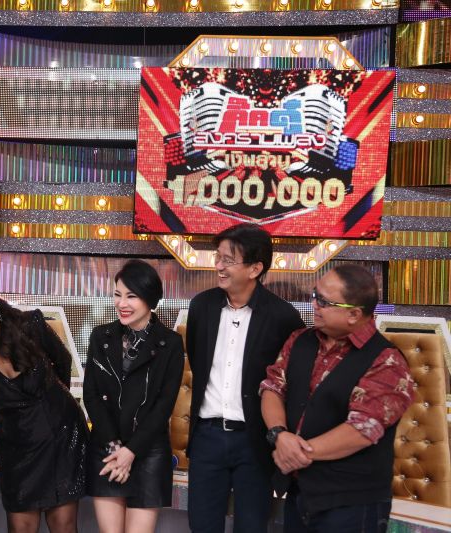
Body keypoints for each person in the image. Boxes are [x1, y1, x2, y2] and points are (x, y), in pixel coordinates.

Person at [260, 264, 415, 532]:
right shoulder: (300, 339)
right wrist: (279, 435)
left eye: (324, 301)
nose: (314, 305)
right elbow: (273, 388)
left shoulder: (387, 361)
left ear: (354, 314)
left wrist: (296, 453)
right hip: (300, 493)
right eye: (315, 295)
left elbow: (362, 428)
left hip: (352, 503)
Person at [186, 222, 304, 533]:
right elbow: (198, 361)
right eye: (218, 257)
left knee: (252, 525)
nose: (218, 266)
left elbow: (288, 381)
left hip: (254, 441)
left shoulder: (283, 316)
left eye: (228, 260)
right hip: (207, 437)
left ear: (255, 268)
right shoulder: (202, 306)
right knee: (202, 526)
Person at [0, 276, 88, 533]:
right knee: (21, 527)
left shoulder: (30, 323)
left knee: (63, 525)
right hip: (17, 446)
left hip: (62, 435)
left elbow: (63, 360)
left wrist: (51, 398)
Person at [83, 259, 184, 533]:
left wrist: (131, 451)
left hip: (148, 451)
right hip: (108, 448)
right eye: (118, 295)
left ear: (150, 299)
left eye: (131, 296)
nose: (122, 303)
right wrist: (116, 448)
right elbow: (91, 395)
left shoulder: (170, 343)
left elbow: (164, 405)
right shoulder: (101, 336)